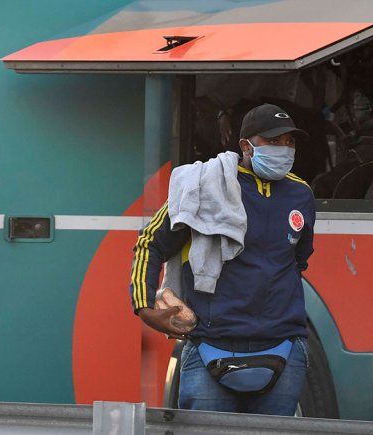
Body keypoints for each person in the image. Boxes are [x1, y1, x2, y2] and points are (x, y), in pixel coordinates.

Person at [129, 103, 316, 415]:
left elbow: (298, 260)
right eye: (273, 141)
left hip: (284, 347)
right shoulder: (202, 185)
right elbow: (150, 243)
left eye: (289, 141)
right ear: (246, 145)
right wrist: (144, 307)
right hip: (210, 346)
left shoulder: (301, 194)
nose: (284, 149)